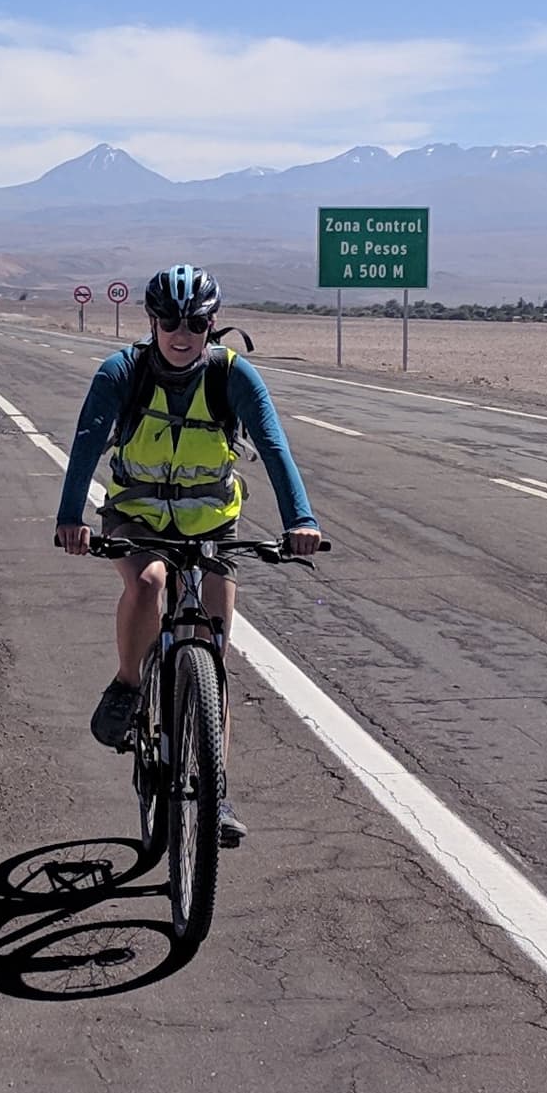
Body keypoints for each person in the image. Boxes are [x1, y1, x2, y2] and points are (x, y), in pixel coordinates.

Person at [52, 266, 326, 828]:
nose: (183, 333)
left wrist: (301, 519)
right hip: (136, 516)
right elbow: (84, 446)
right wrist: (69, 518)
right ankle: (130, 684)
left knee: (213, 656)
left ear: (213, 323)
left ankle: (216, 795)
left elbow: (274, 446)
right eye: (170, 321)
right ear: (152, 321)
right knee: (149, 581)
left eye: (196, 323)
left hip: (210, 525)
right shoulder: (121, 372)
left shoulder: (234, 377)